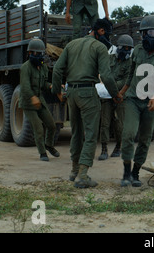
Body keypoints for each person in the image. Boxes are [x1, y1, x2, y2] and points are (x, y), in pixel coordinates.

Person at [52, 18, 122, 189]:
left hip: (72, 93)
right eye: (108, 34)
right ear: (101, 31)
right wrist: (116, 95)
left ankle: (74, 171)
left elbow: (57, 69)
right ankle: (83, 175)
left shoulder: (71, 45)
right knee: (91, 135)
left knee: (76, 132)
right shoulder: (99, 48)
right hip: (88, 92)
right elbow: (105, 75)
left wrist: (58, 91)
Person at [117, 15, 154, 187]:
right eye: (144, 33)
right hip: (133, 99)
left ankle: (135, 173)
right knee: (128, 134)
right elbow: (131, 73)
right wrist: (122, 92)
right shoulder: (137, 50)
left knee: (145, 139)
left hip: (151, 101)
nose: (146, 37)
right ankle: (126, 173)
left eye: (150, 32)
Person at [19, 39, 60, 162]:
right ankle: (42, 153)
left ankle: (49, 145)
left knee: (52, 125)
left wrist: (51, 86)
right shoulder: (25, 68)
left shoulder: (43, 68)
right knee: (38, 129)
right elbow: (25, 87)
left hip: (40, 101)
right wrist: (33, 97)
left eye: (41, 53)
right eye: (36, 53)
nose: (39, 55)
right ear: (30, 53)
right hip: (28, 102)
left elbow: (44, 84)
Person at [98, 34, 133, 160]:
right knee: (105, 123)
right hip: (106, 95)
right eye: (124, 48)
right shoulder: (109, 58)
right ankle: (104, 149)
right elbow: (103, 73)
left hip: (120, 96)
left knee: (120, 124)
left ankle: (119, 147)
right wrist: (109, 87)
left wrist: (115, 90)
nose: (126, 51)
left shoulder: (130, 63)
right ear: (118, 47)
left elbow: (126, 80)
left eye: (129, 48)